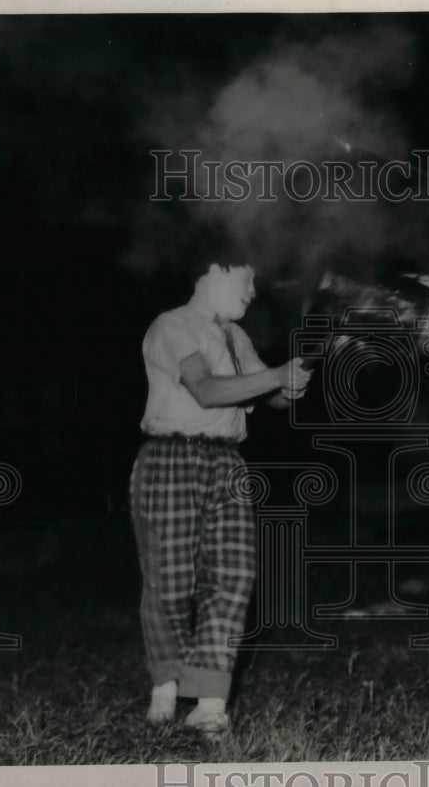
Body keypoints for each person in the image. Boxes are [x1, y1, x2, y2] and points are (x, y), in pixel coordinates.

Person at [129, 251, 311, 738]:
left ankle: (210, 701)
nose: (253, 292)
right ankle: (166, 685)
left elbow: (261, 393)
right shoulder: (173, 326)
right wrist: (276, 377)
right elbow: (206, 390)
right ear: (211, 273)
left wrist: (288, 385)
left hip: (227, 462)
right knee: (170, 582)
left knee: (233, 575)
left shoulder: (236, 336)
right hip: (170, 456)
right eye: (246, 281)